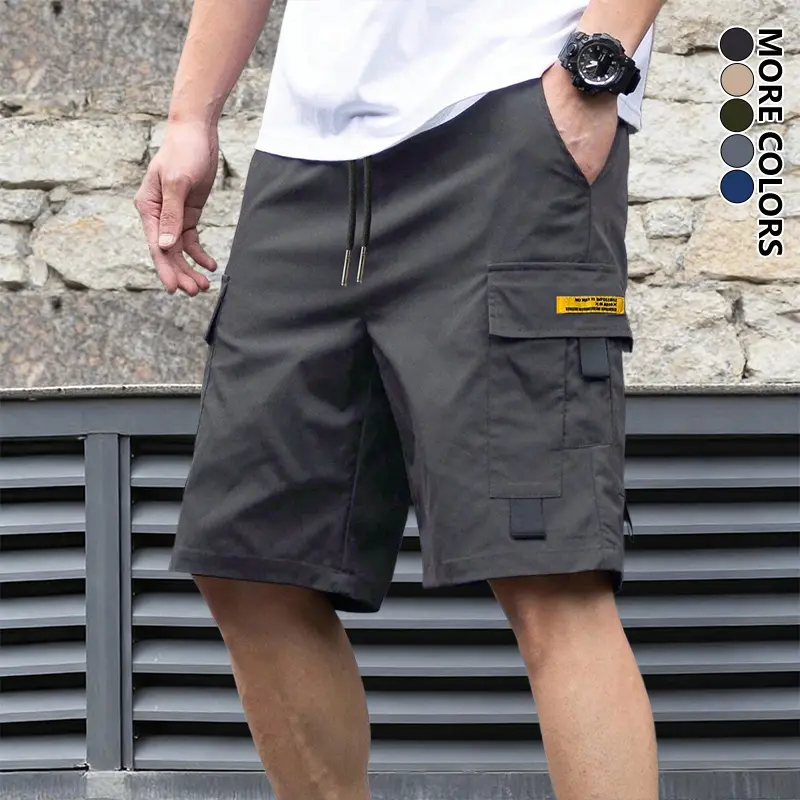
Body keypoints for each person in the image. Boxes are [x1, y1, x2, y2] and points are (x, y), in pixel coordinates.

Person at [135, 1, 663, 797]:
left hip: (508, 116)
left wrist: (595, 65)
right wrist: (190, 116)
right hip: (306, 153)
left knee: (549, 571)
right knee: (249, 561)